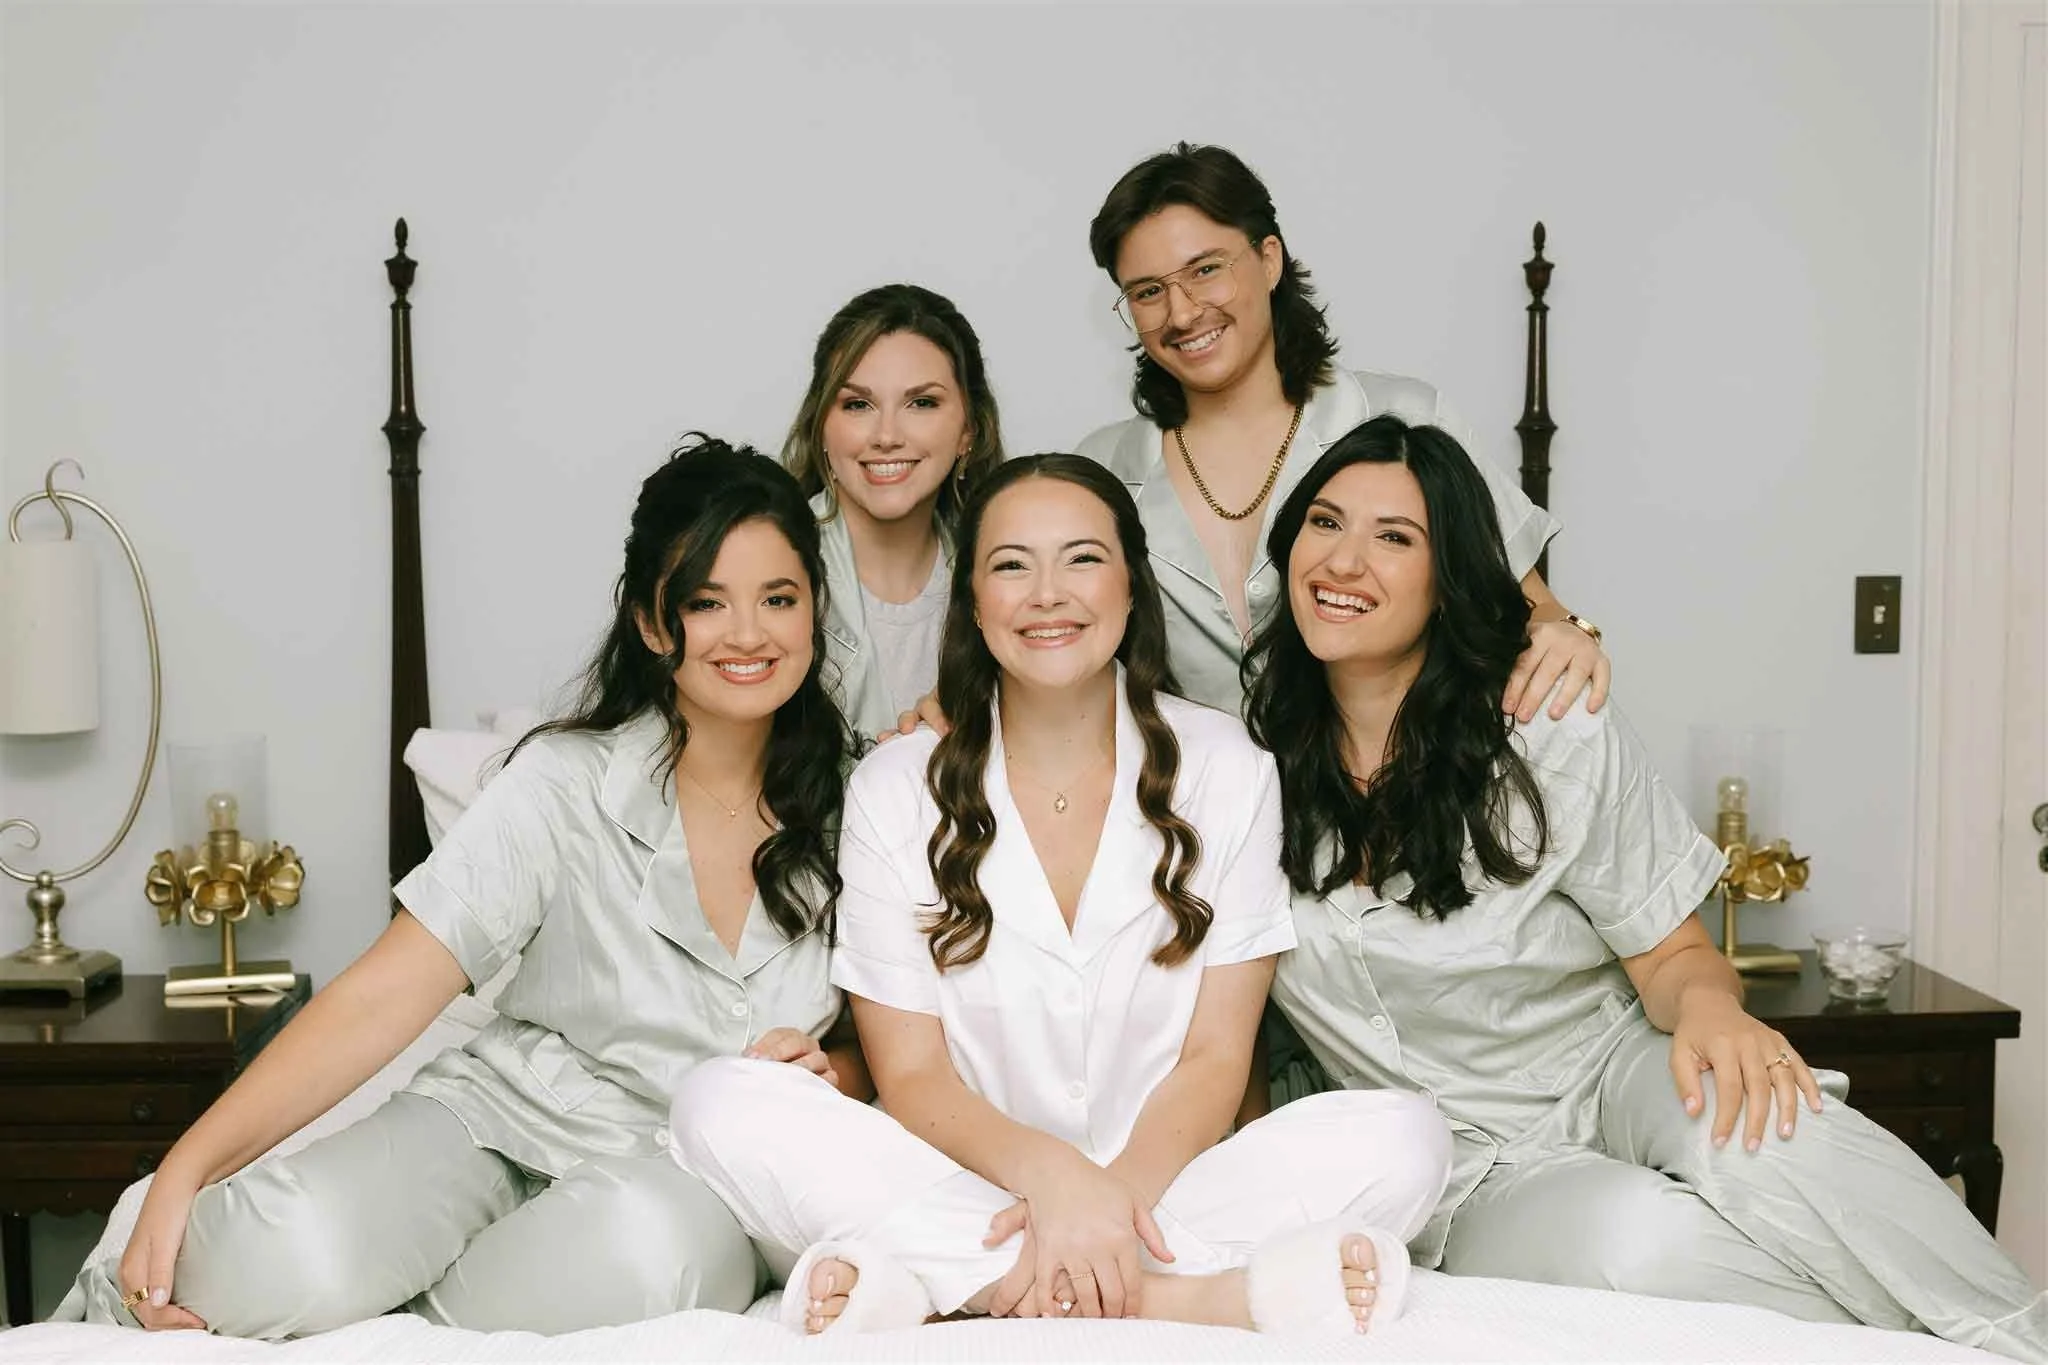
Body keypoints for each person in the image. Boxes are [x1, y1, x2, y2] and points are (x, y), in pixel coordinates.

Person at [1241, 413, 2047, 1361]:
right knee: (1642, 1240)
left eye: (1395, 537)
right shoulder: (1238, 770)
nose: (1345, 560)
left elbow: (1674, 953)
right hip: (1463, 1166)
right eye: (1325, 523)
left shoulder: (1549, 729)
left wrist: (1715, 1011)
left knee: (1787, 1139)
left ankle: (2025, 1339)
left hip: (1614, 1065)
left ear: (1450, 577)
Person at [83, 438, 865, 1338]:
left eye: (779, 598)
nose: (750, 633)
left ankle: (389, 1332)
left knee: (646, 1255)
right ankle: (155, 1298)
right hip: (499, 1117)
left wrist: (824, 1074)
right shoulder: (561, 785)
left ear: (814, 608)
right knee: (277, 1254)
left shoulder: (869, 804)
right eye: (706, 601)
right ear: (654, 623)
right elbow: (386, 993)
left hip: (692, 1172)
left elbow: (888, 1047)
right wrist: (189, 1163)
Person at [667, 455, 1453, 1338]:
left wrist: (1104, 1204)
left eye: (1081, 559)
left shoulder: (1230, 767)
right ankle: (1183, 1297)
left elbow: (1215, 1060)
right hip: (971, 1181)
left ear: (1130, 584)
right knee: (717, 1102)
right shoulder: (894, 785)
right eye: (1010, 565)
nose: (1047, 593)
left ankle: (957, 1285)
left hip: (1166, 1184)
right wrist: (1053, 1181)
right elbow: (912, 1073)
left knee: (1407, 1135)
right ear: (972, 599)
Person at [1077, 141, 1608, 725]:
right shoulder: (1099, 472)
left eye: (1205, 270)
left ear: (1270, 259)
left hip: (1392, 795)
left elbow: (1531, 608)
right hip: (1198, 808)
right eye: (1148, 291)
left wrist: (1569, 634)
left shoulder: (1406, 419)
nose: (1181, 313)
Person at [784, 284, 1005, 740]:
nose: (886, 435)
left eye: (921, 403)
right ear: (821, 424)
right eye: (858, 404)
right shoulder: (758, 565)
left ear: (969, 430)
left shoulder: (1012, 575)